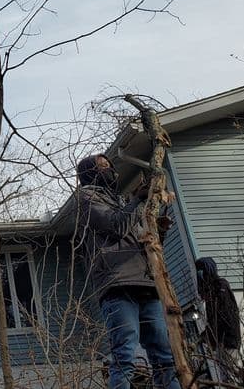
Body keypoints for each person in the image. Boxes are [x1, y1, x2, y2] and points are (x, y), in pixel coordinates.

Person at [74, 154, 182, 389]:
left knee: (164, 356)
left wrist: (158, 231)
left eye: (110, 165)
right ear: (90, 173)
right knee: (125, 355)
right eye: (103, 167)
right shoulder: (87, 198)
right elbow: (115, 227)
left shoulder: (120, 201)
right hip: (118, 285)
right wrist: (138, 199)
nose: (110, 170)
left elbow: (140, 242)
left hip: (146, 283)